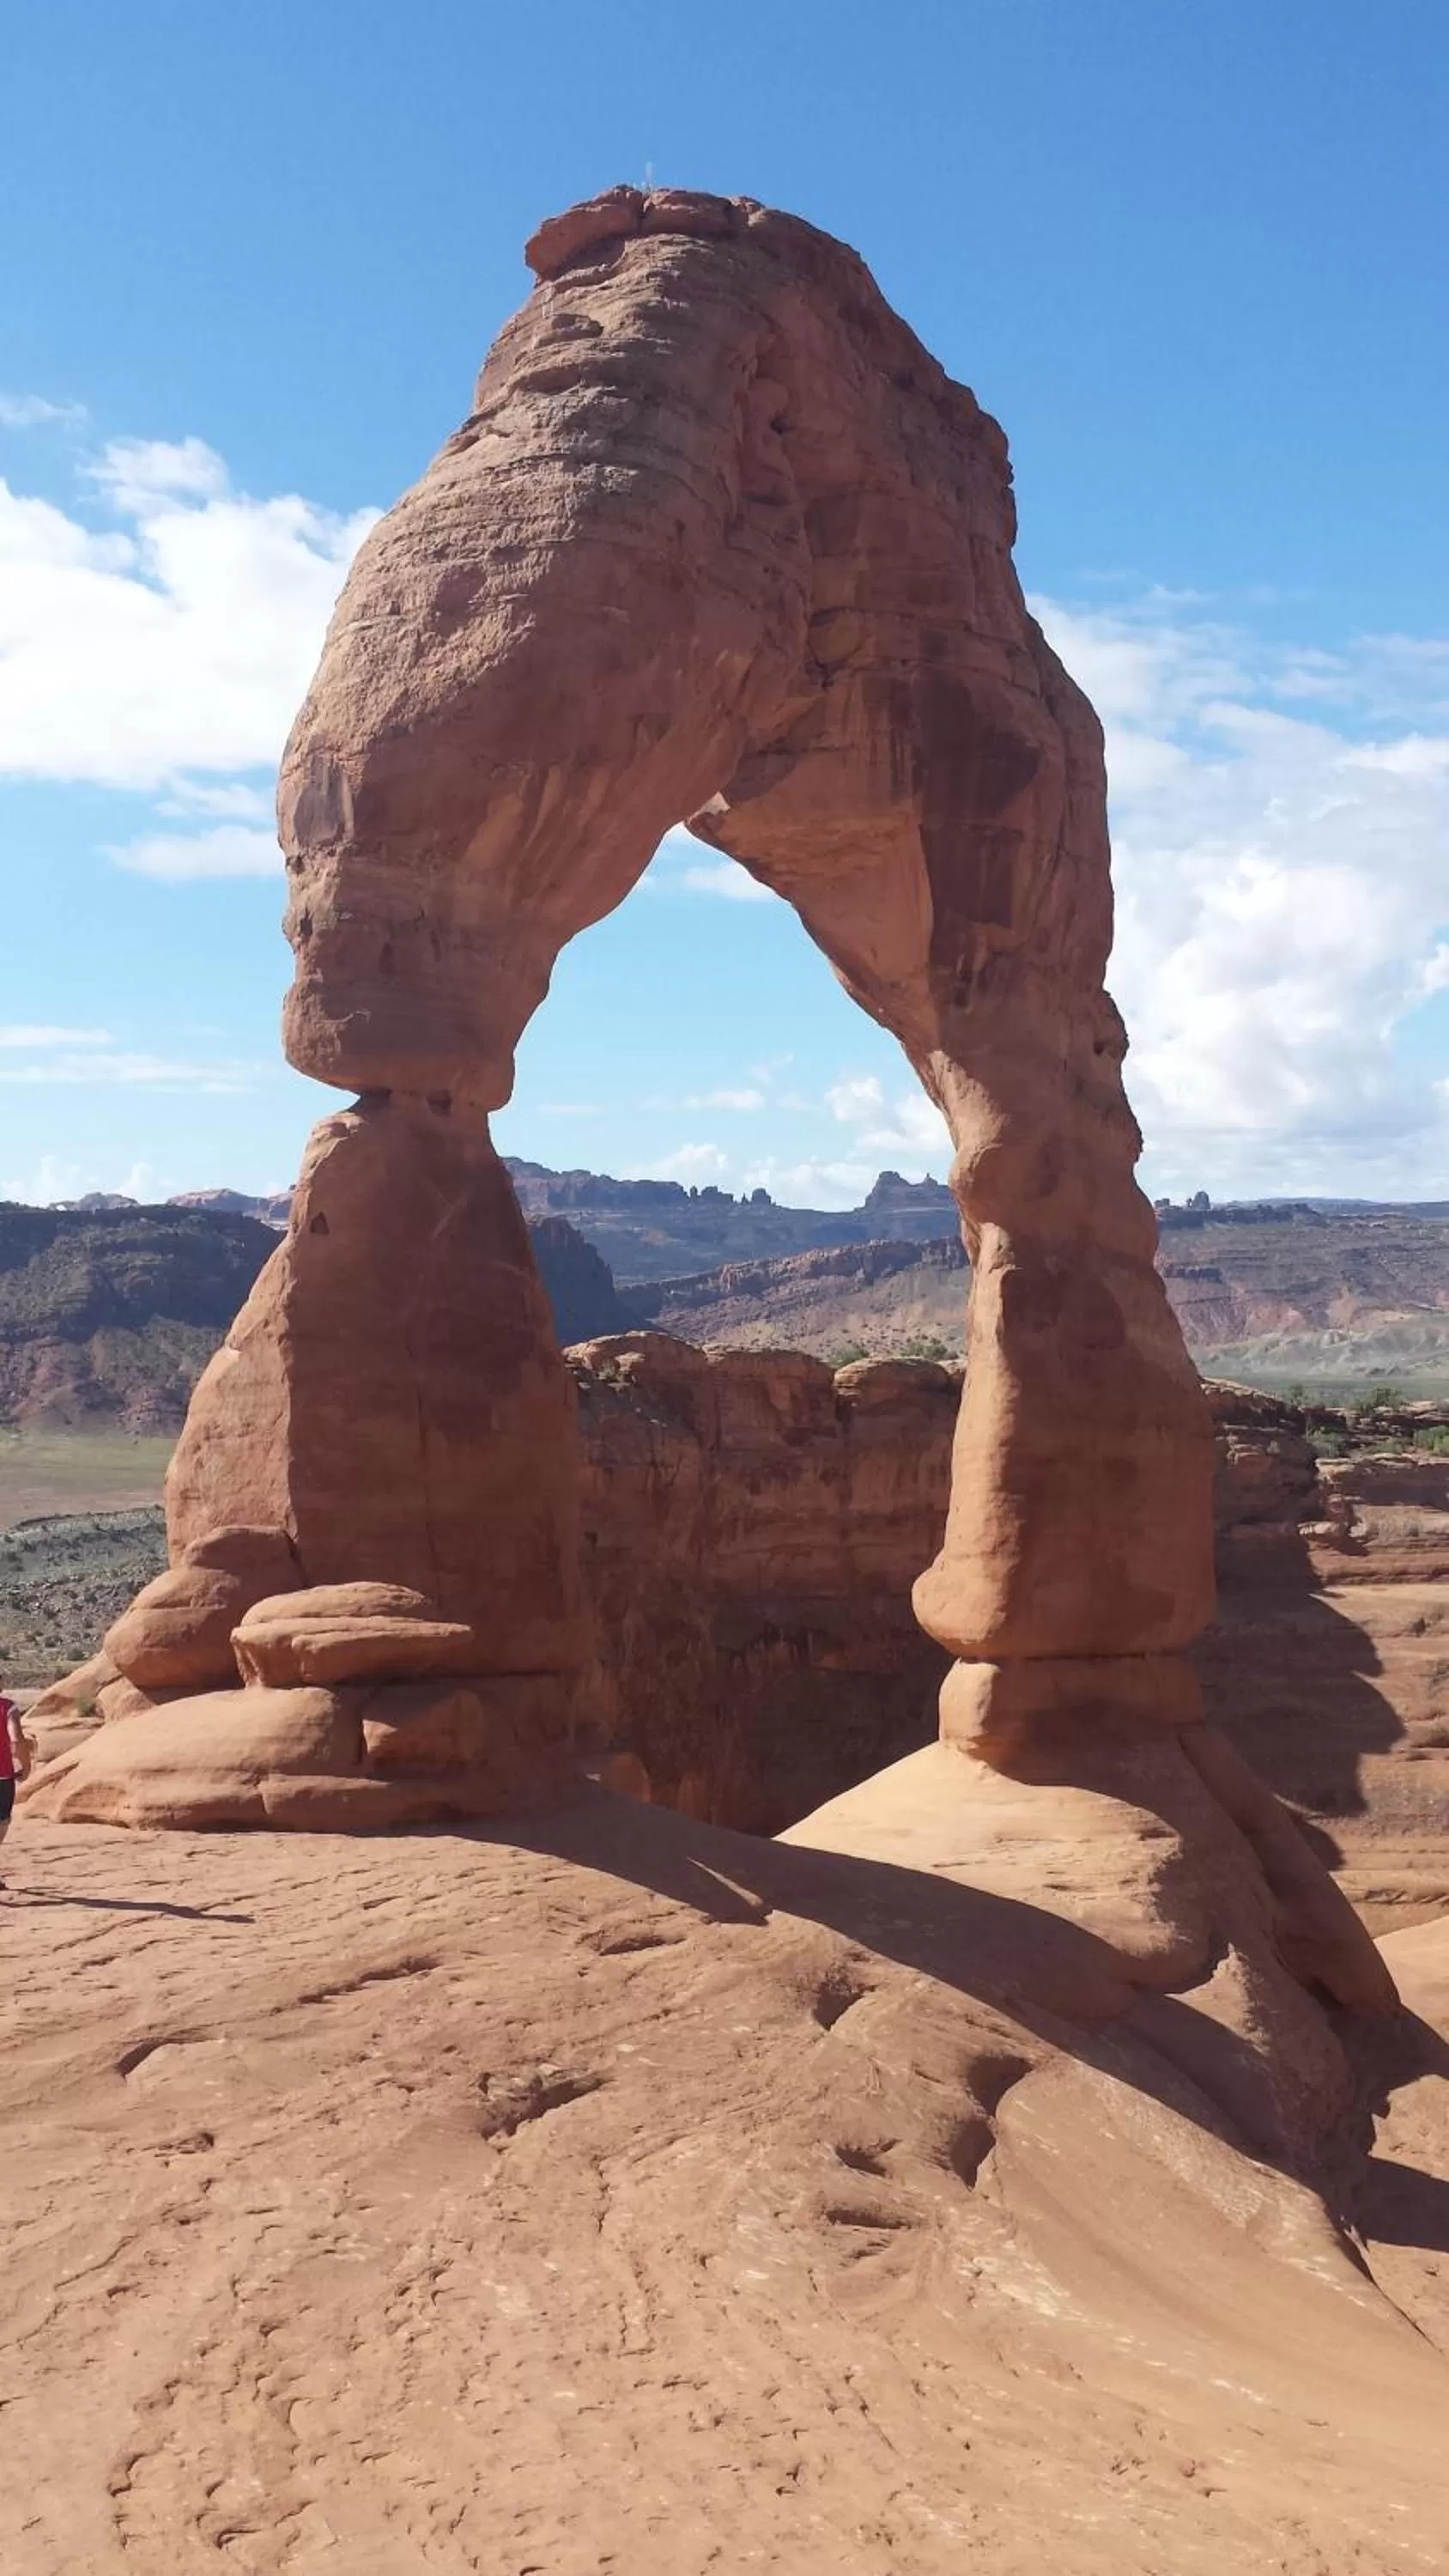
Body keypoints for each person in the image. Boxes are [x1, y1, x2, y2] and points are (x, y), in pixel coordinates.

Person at [0, 1680, 32, 1886]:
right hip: (2, 1775)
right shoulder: (7, 1707)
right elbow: (16, 1740)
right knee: (2, 1821)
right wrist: (26, 1766)